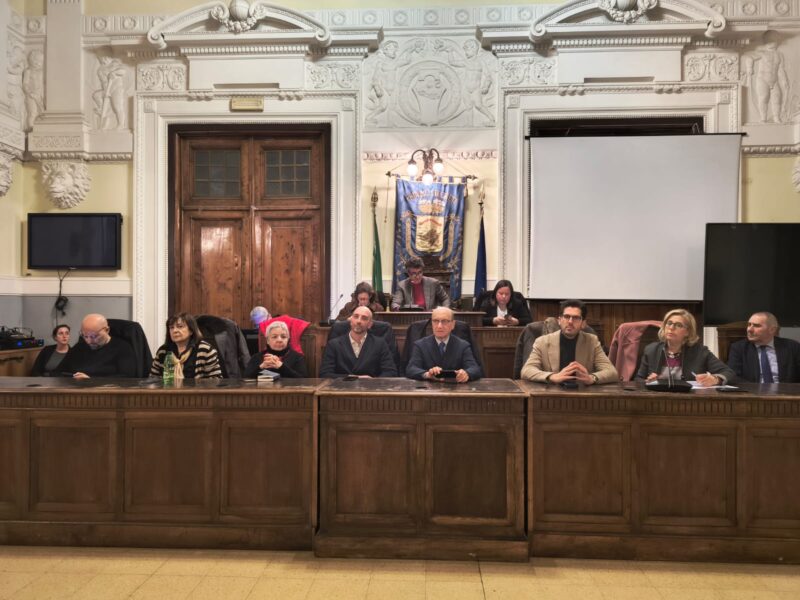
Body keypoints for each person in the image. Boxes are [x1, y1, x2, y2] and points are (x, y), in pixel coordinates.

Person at [521, 299, 617, 385]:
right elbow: (527, 370)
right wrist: (552, 377)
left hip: (581, 393)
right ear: (559, 320)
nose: (570, 321)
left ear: (583, 323)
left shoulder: (592, 341)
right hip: (551, 393)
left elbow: (611, 372)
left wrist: (592, 378)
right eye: (566, 316)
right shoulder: (542, 342)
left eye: (576, 318)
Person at [636, 309, 735, 387]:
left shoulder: (700, 352)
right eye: (669, 323)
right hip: (658, 399)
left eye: (678, 325)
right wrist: (648, 381)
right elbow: (638, 379)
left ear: (688, 332)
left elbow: (729, 373)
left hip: (688, 400)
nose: (671, 327)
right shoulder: (651, 350)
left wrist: (715, 379)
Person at [406, 307, 481, 383]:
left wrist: (466, 374)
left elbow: (475, 369)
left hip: (455, 388)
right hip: (429, 388)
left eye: (444, 321)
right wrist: (427, 374)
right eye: (435, 321)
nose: (439, 326)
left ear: (453, 324)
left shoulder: (463, 345)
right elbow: (411, 369)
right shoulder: (420, 345)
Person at [320, 306, 398, 378]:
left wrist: (373, 381)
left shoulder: (380, 344)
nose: (359, 321)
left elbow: (391, 372)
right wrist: (352, 378)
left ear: (370, 324)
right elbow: (325, 374)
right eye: (356, 316)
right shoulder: (334, 345)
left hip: (370, 387)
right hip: (342, 387)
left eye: (364, 318)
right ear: (350, 320)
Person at [727, 312, 800, 383]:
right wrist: (755, 389)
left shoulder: (792, 347)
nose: (749, 329)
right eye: (749, 325)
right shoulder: (739, 348)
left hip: (786, 390)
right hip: (753, 390)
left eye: (756, 326)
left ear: (772, 329)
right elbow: (733, 376)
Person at [59, 313, 137, 378]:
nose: (89, 341)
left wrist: (92, 380)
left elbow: (126, 377)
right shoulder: (79, 347)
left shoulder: (122, 348)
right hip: (76, 389)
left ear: (107, 330)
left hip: (106, 391)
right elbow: (59, 371)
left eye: (94, 336)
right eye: (85, 336)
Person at [150, 312, 222, 379]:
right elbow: (153, 379)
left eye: (180, 326)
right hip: (167, 388)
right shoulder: (163, 351)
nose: (175, 331)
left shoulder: (205, 350)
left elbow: (215, 379)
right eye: (171, 327)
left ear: (191, 330)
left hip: (197, 388)